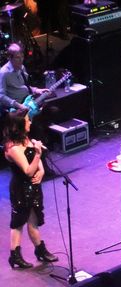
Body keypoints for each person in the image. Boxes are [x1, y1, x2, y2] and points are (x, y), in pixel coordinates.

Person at [2, 110, 58, 269]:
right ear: (20, 124)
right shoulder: (13, 148)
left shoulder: (25, 138)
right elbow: (27, 170)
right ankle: (15, 256)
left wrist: (41, 171)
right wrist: (38, 155)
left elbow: (34, 162)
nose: (30, 123)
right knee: (18, 221)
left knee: (33, 219)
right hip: (21, 188)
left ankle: (40, 250)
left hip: (33, 186)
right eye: (27, 120)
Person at [0, 42, 55, 176]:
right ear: (10, 58)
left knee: (51, 112)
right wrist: (18, 105)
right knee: (37, 131)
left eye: (22, 57)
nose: (21, 60)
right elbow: (1, 95)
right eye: (17, 58)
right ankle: (40, 169)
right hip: (16, 111)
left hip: (27, 105)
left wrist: (38, 90)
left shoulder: (22, 68)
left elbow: (26, 87)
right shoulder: (4, 73)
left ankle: (42, 164)